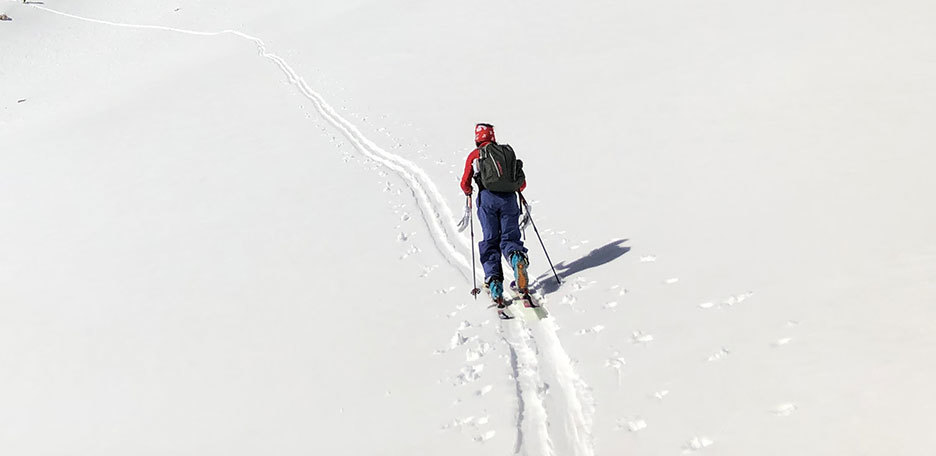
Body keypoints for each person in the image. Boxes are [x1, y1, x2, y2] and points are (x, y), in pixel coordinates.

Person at [460, 123, 530, 304]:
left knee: (491, 241)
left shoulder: (476, 155)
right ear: (492, 136)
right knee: (510, 238)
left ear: (477, 138)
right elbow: (521, 184)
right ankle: (517, 261)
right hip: (509, 201)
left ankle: (494, 283)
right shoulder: (505, 153)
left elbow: (464, 183)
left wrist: (469, 191)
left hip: (487, 200)